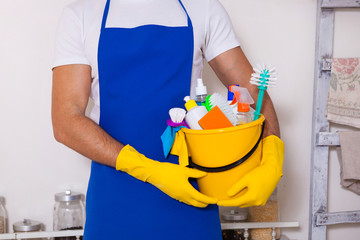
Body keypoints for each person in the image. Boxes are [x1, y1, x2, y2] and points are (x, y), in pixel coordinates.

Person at [51, 0, 284, 239]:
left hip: (192, 196)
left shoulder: (202, 8)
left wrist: (272, 158)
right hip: (114, 202)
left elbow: (254, 92)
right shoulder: (81, 15)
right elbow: (66, 121)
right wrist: (149, 169)